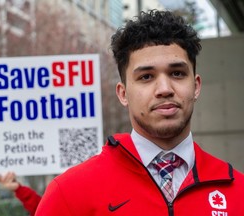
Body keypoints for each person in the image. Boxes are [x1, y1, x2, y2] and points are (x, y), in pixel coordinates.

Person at [35, 10, 244, 215]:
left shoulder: (239, 191)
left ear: (196, 86)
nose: (164, 89)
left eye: (177, 73)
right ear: (123, 93)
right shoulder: (69, 194)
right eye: (146, 77)